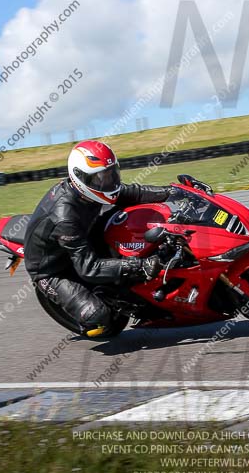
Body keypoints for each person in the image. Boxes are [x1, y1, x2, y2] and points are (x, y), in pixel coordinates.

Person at [24, 140, 172, 337]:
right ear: (80, 178)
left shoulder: (92, 191)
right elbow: (89, 268)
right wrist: (137, 266)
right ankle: (89, 321)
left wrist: (171, 192)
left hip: (84, 235)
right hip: (54, 270)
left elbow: (132, 192)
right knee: (101, 320)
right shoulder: (64, 217)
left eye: (111, 173)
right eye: (101, 178)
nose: (108, 182)